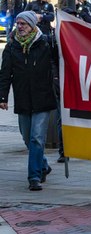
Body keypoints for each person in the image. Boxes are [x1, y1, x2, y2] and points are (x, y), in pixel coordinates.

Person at [0, 11, 58, 191]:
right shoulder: (12, 46)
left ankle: (34, 177)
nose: (20, 27)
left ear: (32, 25)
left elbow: (59, 63)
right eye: (18, 24)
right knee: (27, 137)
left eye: (24, 24)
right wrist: (2, 96)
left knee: (36, 138)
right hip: (23, 99)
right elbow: (5, 74)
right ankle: (44, 165)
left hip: (43, 97)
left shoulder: (45, 43)